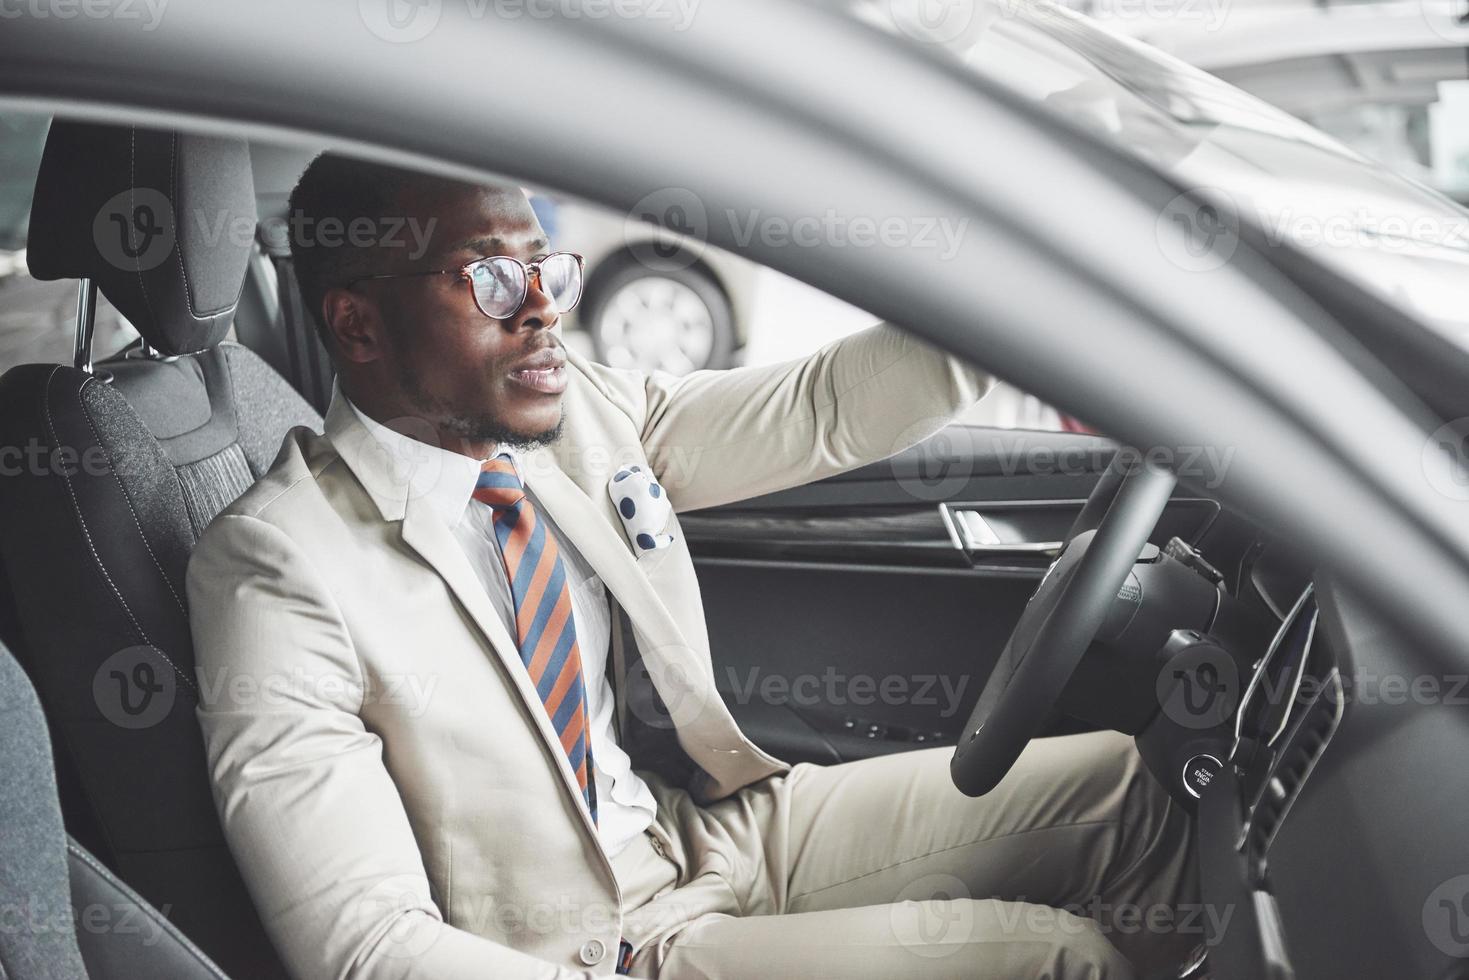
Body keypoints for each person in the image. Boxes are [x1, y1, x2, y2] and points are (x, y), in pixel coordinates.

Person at [188, 154, 1194, 980]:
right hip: (592, 947)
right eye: (488, 274)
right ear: (357, 321)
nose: (541, 308)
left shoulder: (567, 406)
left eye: (548, 268)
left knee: (1122, 789)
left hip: (701, 834)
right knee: (1060, 960)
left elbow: (816, 411)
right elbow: (367, 949)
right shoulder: (278, 565)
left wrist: (1017, 278)